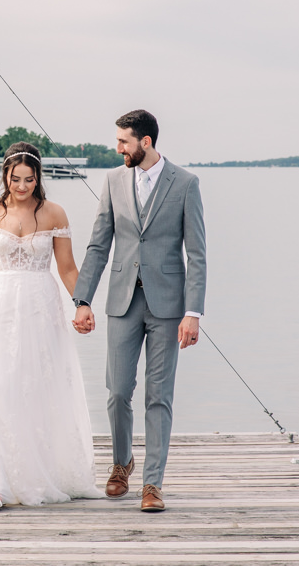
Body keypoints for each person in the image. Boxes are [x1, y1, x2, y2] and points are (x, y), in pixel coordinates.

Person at [0, 142, 102, 510]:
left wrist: (83, 304)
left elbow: (68, 269)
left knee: (37, 388)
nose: (22, 186)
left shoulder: (55, 213)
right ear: (5, 177)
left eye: (29, 179)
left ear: (39, 177)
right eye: (15, 179)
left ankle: (38, 474)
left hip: (41, 310)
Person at [73, 110, 206, 513]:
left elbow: (197, 254)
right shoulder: (113, 180)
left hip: (168, 307)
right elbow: (99, 244)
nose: (118, 149)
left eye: (123, 142)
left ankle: (153, 484)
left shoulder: (185, 183)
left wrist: (193, 312)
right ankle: (121, 463)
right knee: (117, 392)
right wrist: (83, 300)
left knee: (159, 396)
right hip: (121, 302)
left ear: (145, 142)